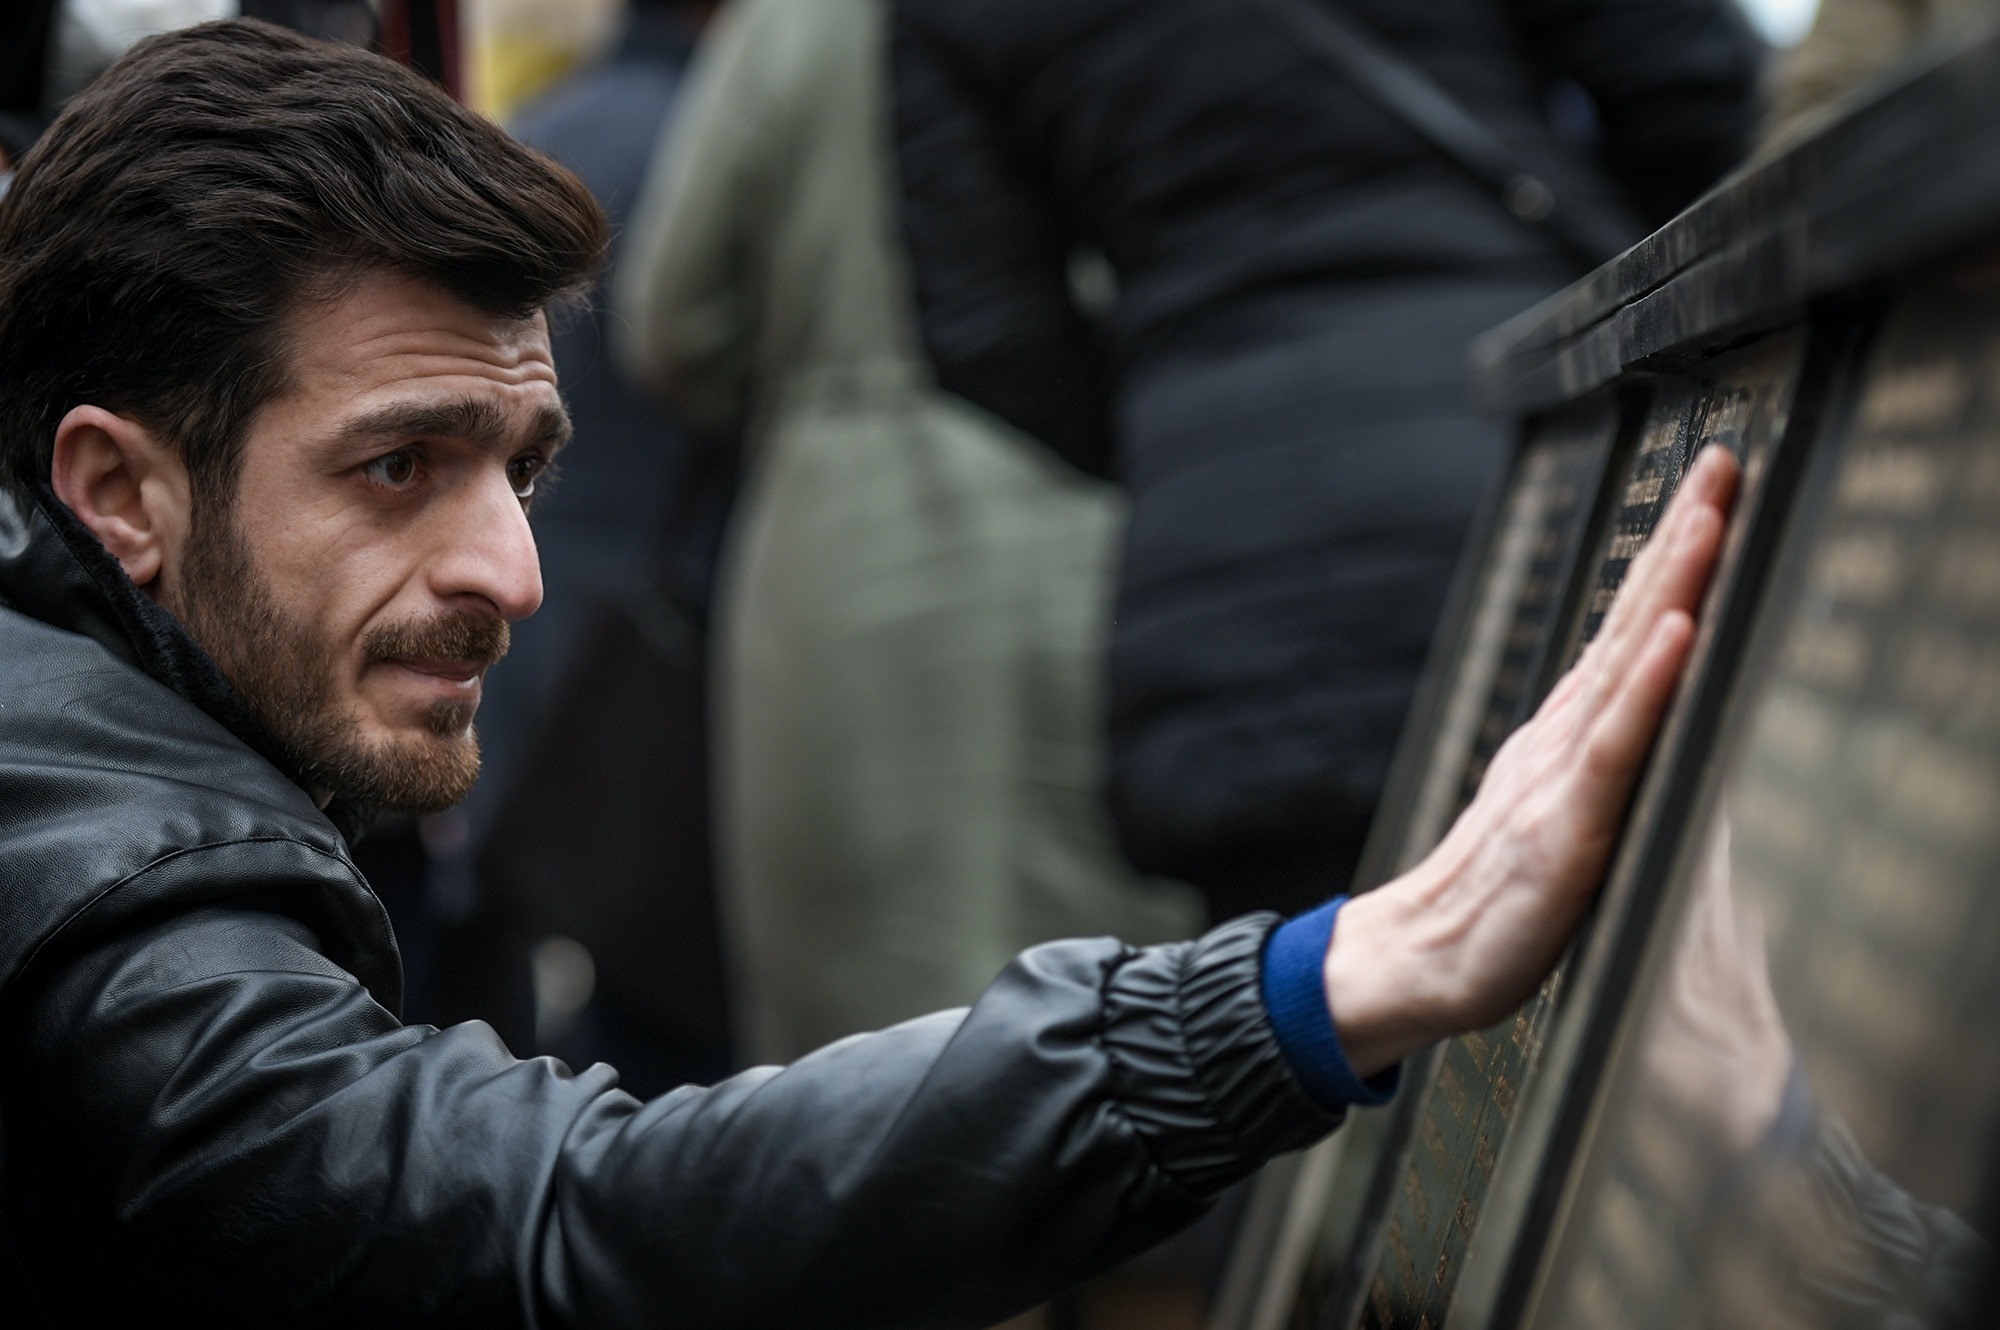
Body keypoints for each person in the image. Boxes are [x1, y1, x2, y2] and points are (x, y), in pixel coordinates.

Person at [0, 18, 1738, 1326]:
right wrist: (1337, 978)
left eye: (522, 470)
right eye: (398, 466)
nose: (510, 573)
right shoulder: (93, 844)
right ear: (118, 492)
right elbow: (554, 1218)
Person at [888, 0, 1764, 924]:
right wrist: (1616, 320)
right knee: (1672, 941)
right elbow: (1690, 94)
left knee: (1312, 982)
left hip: (1224, 575)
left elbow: (986, 330)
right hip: (1538, 469)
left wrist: (1175, 436)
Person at [614, 0, 1202, 1064]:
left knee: (873, 1047)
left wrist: (820, 390)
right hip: (1111, 519)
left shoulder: (799, 20)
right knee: (1139, 1025)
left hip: (847, 542)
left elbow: (678, 321)